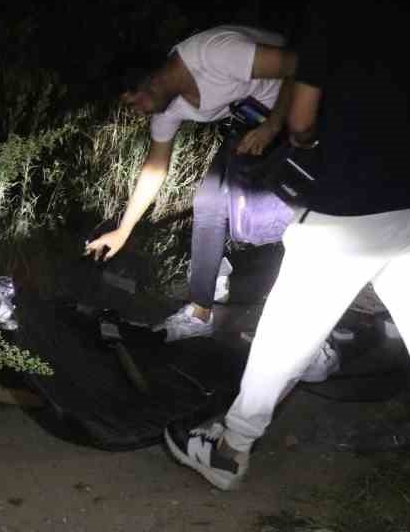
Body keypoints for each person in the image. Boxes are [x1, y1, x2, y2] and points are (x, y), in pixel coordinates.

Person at [164, 0, 410, 503]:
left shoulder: (332, 14)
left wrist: (310, 143)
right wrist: (403, 146)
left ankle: (230, 449)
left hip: (347, 205)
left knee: (286, 326)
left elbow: (304, 118)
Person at [84, 25, 319, 357]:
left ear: (151, 80)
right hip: (253, 126)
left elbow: (300, 64)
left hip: (300, 114)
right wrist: (123, 230)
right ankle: (200, 312)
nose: (135, 110)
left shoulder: (213, 54)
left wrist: (273, 125)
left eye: (133, 101)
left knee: (301, 219)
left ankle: (314, 325)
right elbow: (155, 168)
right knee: (208, 201)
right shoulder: (167, 106)